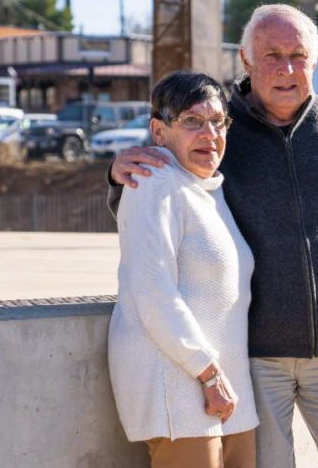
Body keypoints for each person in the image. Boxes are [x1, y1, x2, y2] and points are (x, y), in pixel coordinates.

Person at [107, 4, 318, 468]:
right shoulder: (216, 127)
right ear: (247, 62)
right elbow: (158, 186)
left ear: (315, 61)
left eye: (297, 54)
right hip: (254, 360)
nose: (286, 68)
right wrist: (113, 173)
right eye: (271, 55)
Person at [108, 70, 258, 468]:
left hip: (224, 390)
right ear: (158, 132)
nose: (209, 133)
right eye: (192, 120)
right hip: (179, 388)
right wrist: (207, 374)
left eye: (217, 121)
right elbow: (154, 291)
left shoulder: (209, 188)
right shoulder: (153, 181)